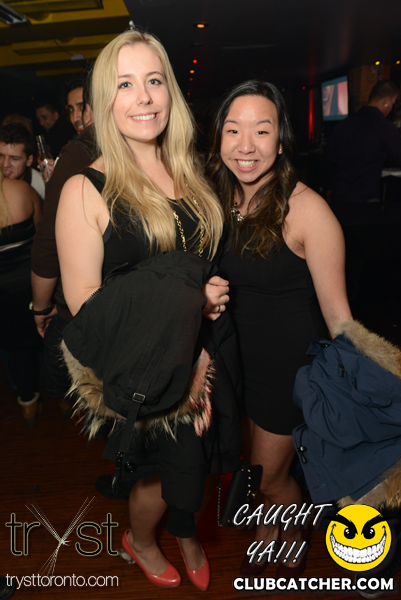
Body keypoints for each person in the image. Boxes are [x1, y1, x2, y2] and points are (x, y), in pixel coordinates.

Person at [56, 30, 238, 591]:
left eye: (154, 80)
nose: (144, 97)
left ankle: (188, 534)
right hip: (144, 366)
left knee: (202, 463)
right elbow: (88, 308)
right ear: (103, 101)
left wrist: (204, 357)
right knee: (163, 475)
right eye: (125, 84)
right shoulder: (85, 189)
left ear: (170, 91)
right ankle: (141, 540)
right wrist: (192, 300)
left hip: (208, 348)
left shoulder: (191, 172)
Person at [207, 80, 353, 577]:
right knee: (255, 470)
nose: (245, 145)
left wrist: (361, 395)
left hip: (289, 373)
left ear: (282, 139)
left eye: (262, 130)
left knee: (270, 478)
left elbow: (340, 319)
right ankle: (272, 529)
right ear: (219, 137)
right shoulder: (221, 199)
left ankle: (292, 538)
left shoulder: (307, 210)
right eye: (233, 130)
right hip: (239, 365)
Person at [30, 71, 97, 413]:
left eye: (82, 106)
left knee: (60, 383)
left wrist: (41, 307)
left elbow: (49, 239)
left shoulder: (79, 151)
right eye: (70, 109)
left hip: (81, 304)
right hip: (110, 297)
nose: (76, 116)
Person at [0, 168, 42, 426]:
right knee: (44, 340)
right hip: (31, 286)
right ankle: (64, 399)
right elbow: (43, 235)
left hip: (4, 296)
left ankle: (28, 404)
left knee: (15, 350)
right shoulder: (22, 190)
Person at [323, 79, 401, 205]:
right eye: (392, 103)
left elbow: (327, 161)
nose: (392, 108)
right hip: (365, 201)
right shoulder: (385, 127)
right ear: (386, 101)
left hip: (339, 198)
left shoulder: (342, 125)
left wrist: (328, 188)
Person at [0, 123, 45, 199]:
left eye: (14, 158)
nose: (5, 164)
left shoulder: (41, 187)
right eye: (0, 156)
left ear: (29, 160)